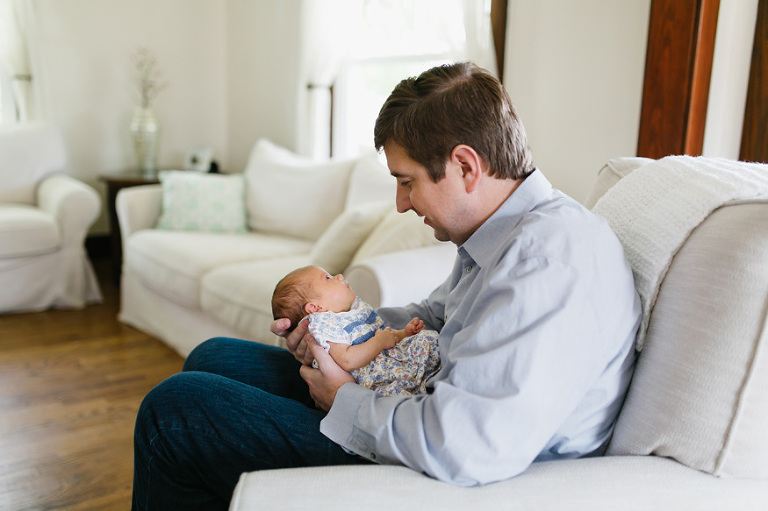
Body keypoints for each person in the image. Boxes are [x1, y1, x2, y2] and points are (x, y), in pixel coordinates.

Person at [132, 62, 641, 511]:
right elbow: (431, 317)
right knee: (214, 357)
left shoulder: (546, 262)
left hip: (444, 463)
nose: (401, 203)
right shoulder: (503, 233)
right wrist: (333, 331)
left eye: (407, 181)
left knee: (174, 410)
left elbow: (465, 445)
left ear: (465, 166)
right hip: (414, 397)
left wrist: (344, 398)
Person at [271, 265, 440, 397]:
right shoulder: (325, 326)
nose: (339, 276)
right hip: (373, 381)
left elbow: (382, 334)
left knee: (426, 342)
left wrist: (404, 333)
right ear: (315, 308)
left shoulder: (353, 312)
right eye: (328, 278)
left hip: (388, 361)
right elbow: (347, 359)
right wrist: (379, 342)